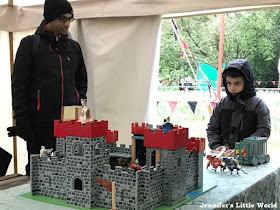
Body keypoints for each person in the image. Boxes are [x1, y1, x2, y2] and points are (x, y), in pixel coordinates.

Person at [7, 0, 88, 176]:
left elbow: (81, 81)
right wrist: (22, 123)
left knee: (71, 174)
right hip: (40, 126)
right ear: (49, 19)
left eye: (70, 19)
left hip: (69, 126)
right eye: (62, 19)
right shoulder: (30, 44)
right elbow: (19, 86)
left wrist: (80, 107)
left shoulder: (74, 47)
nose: (67, 24)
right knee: (40, 175)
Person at [207, 59, 270, 157]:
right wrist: (217, 146)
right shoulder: (222, 104)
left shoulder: (258, 105)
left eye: (237, 83)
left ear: (247, 82)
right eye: (229, 83)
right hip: (224, 156)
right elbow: (212, 129)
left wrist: (242, 148)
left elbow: (263, 131)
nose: (232, 88)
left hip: (250, 157)